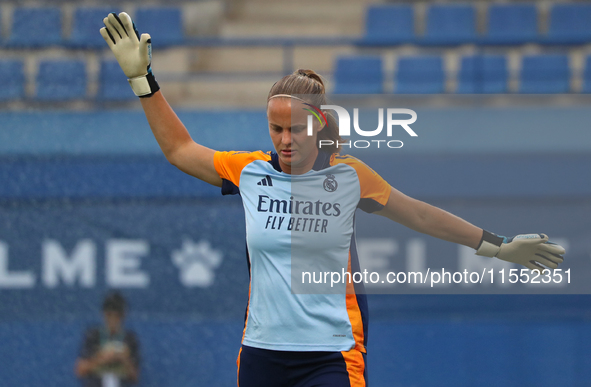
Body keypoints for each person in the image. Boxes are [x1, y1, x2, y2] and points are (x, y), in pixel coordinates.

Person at [99, 12, 565, 387]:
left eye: (295, 129)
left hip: (331, 357)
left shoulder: (348, 175)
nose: (285, 139)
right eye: (275, 129)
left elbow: (420, 215)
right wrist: (143, 81)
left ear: (318, 125)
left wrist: (499, 245)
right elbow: (180, 150)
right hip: (261, 353)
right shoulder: (250, 172)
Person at [75, 291, 140, 387]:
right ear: (103, 315)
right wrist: (101, 359)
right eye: (109, 315)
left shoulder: (130, 339)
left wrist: (124, 359)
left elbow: (135, 376)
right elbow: (80, 370)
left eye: (117, 316)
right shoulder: (93, 336)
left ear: (123, 316)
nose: (113, 320)